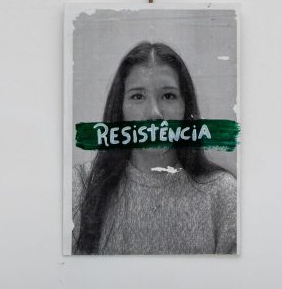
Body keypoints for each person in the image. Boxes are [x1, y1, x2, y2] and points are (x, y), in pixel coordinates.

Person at [72, 41, 237, 255]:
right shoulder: (81, 186)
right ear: (120, 109)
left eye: (168, 96)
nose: (154, 113)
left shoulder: (222, 193)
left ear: (185, 107)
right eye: (137, 96)